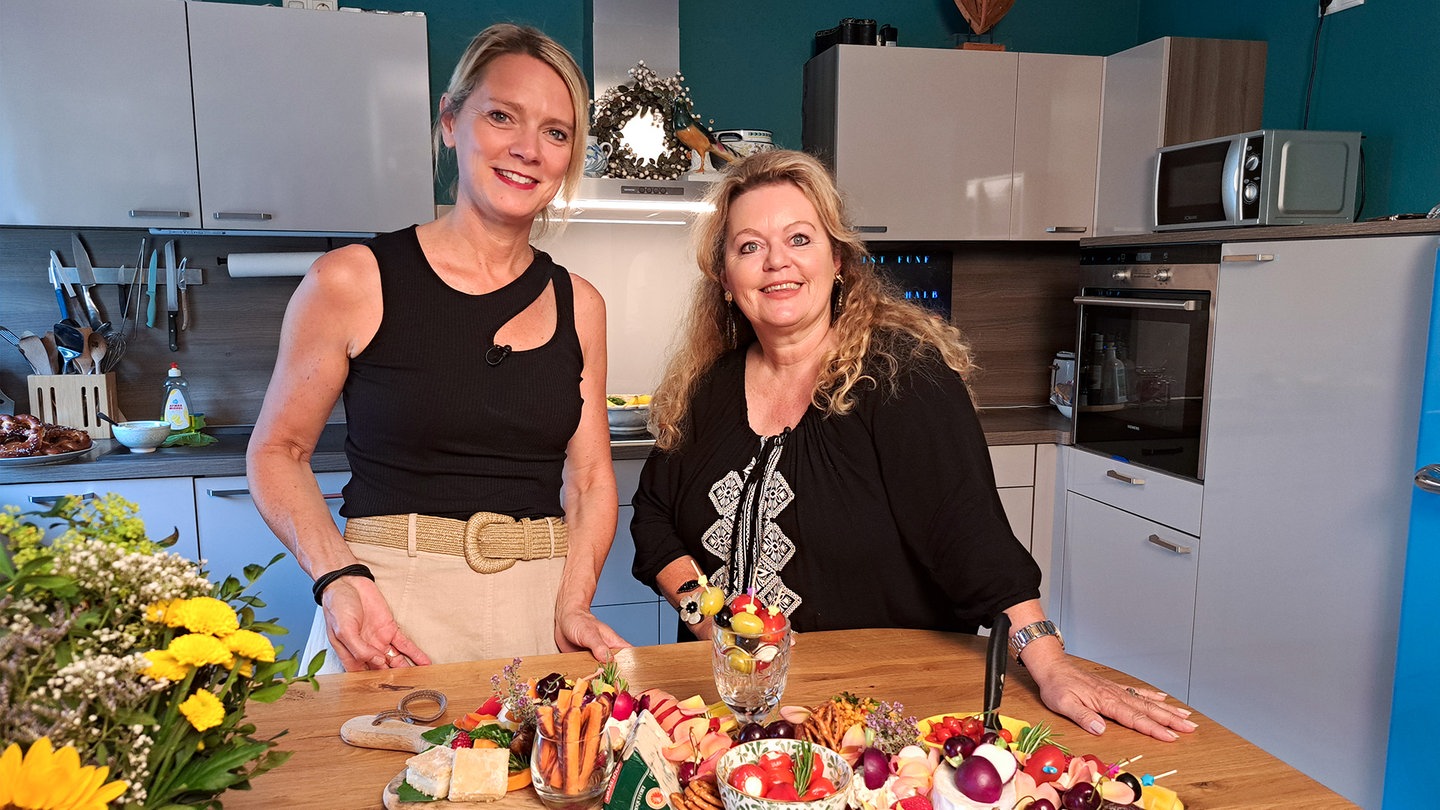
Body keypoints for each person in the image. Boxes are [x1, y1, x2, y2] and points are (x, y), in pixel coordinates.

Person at [630, 149, 1197, 742]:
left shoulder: (903, 377)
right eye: (749, 246)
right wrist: (709, 618)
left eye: (799, 238)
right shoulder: (708, 388)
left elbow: (968, 532)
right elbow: (653, 515)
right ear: (725, 279)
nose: (777, 262)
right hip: (726, 713)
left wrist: (1049, 661)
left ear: (838, 259)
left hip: (873, 713)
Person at [247, 23, 627, 672]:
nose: (528, 149)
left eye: (556, 132)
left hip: (539, 610)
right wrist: (336, 575)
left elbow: (590, 480)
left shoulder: (580, 304)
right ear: (450, 121)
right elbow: (277, 452)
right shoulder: (351, 281)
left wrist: (574, 599)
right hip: (389, 609)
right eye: (502, 116)